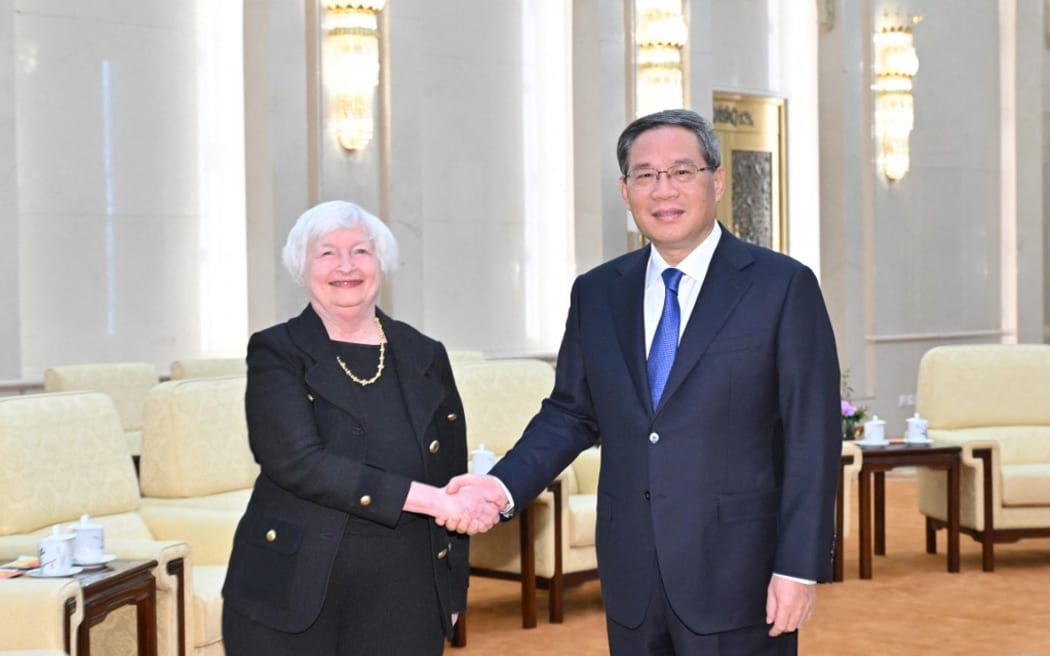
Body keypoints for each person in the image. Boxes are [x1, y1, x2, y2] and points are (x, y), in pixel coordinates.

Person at [448, 109, 842, 655]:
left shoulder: (782, 287)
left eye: (682, 172)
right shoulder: (598, 292)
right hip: (633, 570)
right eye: (645, 175)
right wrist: (501, 484)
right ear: (625, 190)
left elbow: (811, 439)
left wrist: (799, 567)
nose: (664, 190)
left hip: (739, 574)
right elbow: (570, 413)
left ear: (717, 181)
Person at [222, 200, 493, 655]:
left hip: (407, 596)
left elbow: (449, 470)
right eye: (326, 253)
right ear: (301, 267)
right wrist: (427, 499)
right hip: (293, 596)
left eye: (361, 252)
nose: (345, 266)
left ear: (381, 263)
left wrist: (452, 587)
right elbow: (297, 462)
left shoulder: (424, 352)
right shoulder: (276, 351)